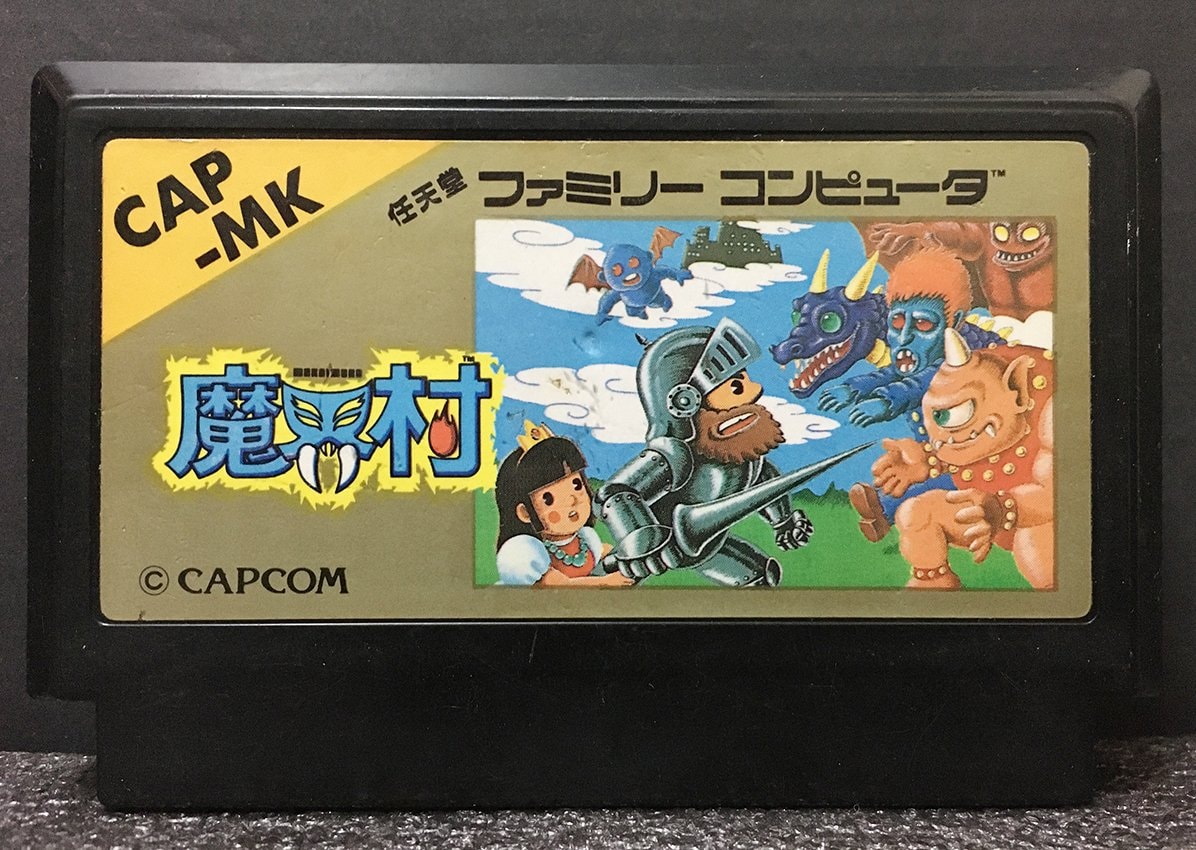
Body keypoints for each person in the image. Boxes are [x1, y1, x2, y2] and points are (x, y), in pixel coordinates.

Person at [494, 422, 633, 587]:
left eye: (576, 485)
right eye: (549, 499)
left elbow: (603, 552)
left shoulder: (586, 539)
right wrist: (605, 582)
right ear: (525, 513)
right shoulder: (530, 554)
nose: (571, 500)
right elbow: (561, 585)